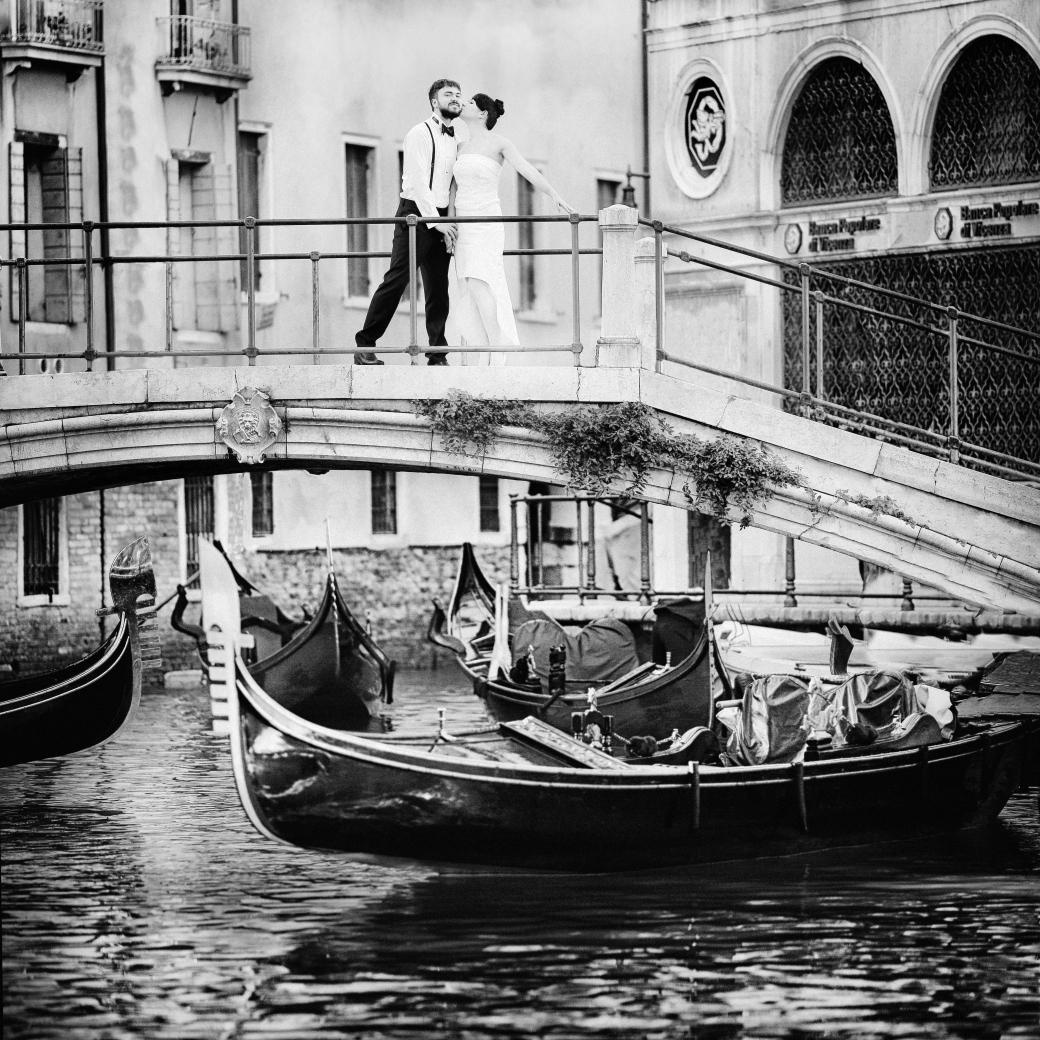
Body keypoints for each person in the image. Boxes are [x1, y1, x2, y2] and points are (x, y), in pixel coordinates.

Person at [448, 93, 573, 362]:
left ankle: (495, 347)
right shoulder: (460, 146)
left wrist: (554, 195)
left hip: (487, 220)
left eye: (470, 103)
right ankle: (480, 348)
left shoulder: (499, 144)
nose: (464, 105)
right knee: (468, 284)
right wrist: (449, 224)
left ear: (482, 113)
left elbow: (527, 169)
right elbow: (452, 189)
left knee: (483, 281)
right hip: (464, 223)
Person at [354, 79, 463, 366]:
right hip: (414, 215)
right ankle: (364, 344)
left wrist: (448, 223)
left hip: (440, 216)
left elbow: (452, 185)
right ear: (433, 102)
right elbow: (415, 182)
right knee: (397, 279)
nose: (455, 98)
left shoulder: (456, 138)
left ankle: (437, 352)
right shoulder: (419, 133)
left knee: (439, 287)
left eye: (458, 95)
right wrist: (434, 221)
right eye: (448, 94)